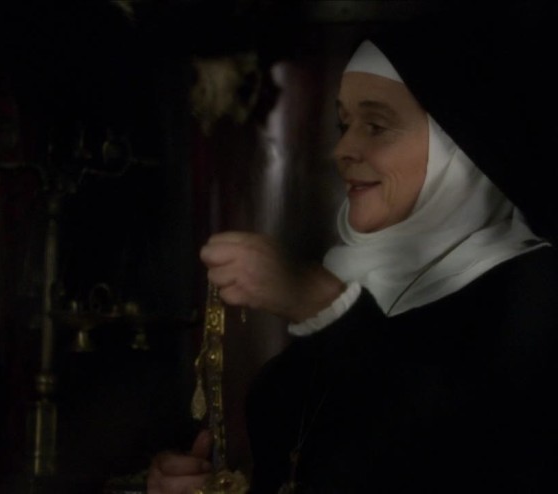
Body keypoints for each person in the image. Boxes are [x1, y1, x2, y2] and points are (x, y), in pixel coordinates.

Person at [147, 17, 558, 494]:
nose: (342, 149)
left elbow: (446, 451)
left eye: (376, 126)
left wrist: (321, 303)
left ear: (460, 145)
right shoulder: (357, 281)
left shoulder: (537, 292)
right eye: (344, 125)